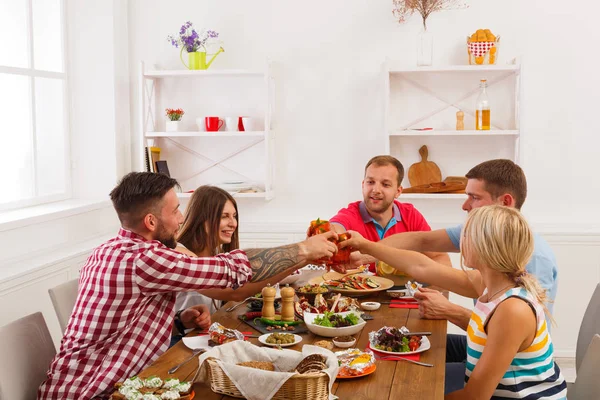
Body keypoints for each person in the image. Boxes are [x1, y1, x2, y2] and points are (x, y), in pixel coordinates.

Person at [38, 172, 338, 400]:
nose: (182, 218)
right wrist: (304, 250)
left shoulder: (110, 249)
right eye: (175, 211)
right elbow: (233, 271)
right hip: (94, 393)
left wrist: (177, 321)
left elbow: (119, 321)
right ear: (151, 221)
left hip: (83, 383)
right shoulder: (146, 259)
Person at [354, 159, 559, 393]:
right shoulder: (491, 280)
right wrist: (365, 247)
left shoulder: (514, 307)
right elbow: (422, 266)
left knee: (412, 386)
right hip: (495, 365)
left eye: (469, 233)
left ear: (490, 243)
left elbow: (474, 397)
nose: (461, 240)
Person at [329, 155, 450, 273]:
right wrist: (331, 238)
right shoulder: (350, 214)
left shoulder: (410, 215)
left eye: (385, 184)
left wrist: (430, 287)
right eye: (370, 182)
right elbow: (333, 229)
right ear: (363, 185)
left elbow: (440, 258)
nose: (375, 190)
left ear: (398, 191)